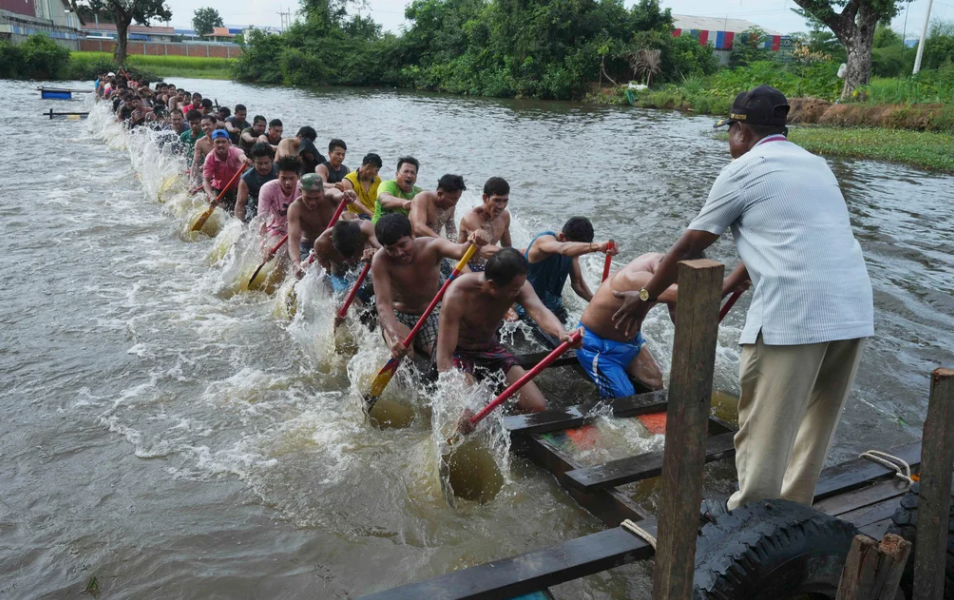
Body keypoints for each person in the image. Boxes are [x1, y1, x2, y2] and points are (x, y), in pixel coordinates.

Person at [610, 85, 874, 515]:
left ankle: (750, 524)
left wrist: (644, 296)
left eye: (729, 131)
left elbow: (688, 247)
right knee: (814, 429)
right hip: (854, 310)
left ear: (741, 131)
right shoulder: (816, 165)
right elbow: (788, 238)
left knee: (764, 431)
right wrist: (731, 283)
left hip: (794, 314)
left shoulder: (744, 169)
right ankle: (794, 519)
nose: (728, 142)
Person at [434, 248, 580, 416]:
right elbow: (444, 356)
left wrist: (562, 334)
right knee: (468, 411)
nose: (518, 292)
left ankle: (500, 419)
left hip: (489, 349)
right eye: (513, 290)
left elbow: (539, 311)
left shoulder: (518, 285)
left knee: (536, 406)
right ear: (492, 285)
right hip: (458, 353)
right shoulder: (458, 293)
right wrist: (456, 399)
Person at [579, 252, 748, 396]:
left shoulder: (666, 270)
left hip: (631, 342)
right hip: (597, 346)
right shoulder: (639, 277)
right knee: (623, 396)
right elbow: (689, 293)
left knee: (656, 383)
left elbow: (678, 318)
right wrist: (729, 285)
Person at [372, 214, 488, 359]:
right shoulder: (380, 260)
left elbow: (461, 252)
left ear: (412, 234)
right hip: (399, 315)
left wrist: (475, 241)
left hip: (431, 313)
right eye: (391, 249)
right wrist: (394, 337)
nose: (399, 253)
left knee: (441, 356)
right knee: (403, 356)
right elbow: (383, 304)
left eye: (402, 245)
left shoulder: (433, 246)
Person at [515, 217, 616, 326]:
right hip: (530, 311)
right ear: (562, 237)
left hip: (555, 308)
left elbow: (577, 284)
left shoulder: (572, 253)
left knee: (588, 332)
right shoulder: (543, 241)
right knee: (558, 341)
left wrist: (597, 304)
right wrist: (598, 246)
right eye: (577, 247)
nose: (579, 253)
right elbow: (564, 248)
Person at [286, 173, 357, 274]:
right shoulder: (295, 208)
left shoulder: (331, 196)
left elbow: (339, 195)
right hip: (309, 246)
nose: (312, 202)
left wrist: (347, 195)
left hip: (333, 242)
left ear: (323, 192)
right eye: (308, 198)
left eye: (316, 198)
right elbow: (293, 240)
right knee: (308, 271)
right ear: (300, 191)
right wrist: (296, 264)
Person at [312, 219, 380, 305]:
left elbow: (385, 250)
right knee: (352, 304)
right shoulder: (321, 244)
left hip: (363, 269)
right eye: (344, 255)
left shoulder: (366, 228)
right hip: (340, 278)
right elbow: (325, 275)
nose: (350, 259)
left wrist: (375, 253)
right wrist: (333, 302)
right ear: (332, 241)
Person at [458, 176, 512, 272]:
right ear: (485, 198)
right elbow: (485, 250)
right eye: (497, 200)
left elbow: (507, 247)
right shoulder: (471, 218)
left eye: (505, 201)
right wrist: (522, 252)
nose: (501, 206)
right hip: (464, 266)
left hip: (487, 267)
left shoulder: (505, 216)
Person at [257, 156, 303, 261]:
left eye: (291, 178)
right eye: (284, 178)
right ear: (278, 176)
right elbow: (261, 221)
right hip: (277, 230)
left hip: (298, 232)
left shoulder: (303, 188)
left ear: (298, 177)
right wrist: (263, 246)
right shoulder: (267, 188)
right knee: (281, 253)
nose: (288, 183)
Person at [202, 129, 249, 212]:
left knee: (242, 210)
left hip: (237, 188)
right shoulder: (209, 158)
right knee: (221, 211)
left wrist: (244, 160)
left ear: (229, 143)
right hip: (219, 190)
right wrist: (211, 195)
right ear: (213, 144)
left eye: (224, 142)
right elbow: (206, 181)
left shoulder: (235, 151)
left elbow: (241, 156)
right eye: (217, 142)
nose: (221, 145)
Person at [409, 174, 464, 240]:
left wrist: (455, 245)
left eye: (457, 199)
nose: (455, 203)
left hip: (434, 243)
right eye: (453, 199)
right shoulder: (422, 198)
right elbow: (418, 228)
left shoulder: (451, 205)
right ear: (440, 194)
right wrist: (443, 242)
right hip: (415, 243)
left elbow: (451, 230)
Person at [235, 142, 277, 223]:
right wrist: (240, 225)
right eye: (259, 163)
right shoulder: (246, 179)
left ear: (272, 160)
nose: (263, 167)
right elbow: (240, 205)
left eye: (266, 163)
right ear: (253, 162)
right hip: (256, 208)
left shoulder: (280, 173)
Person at [372, 156, 421, 224]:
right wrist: (404, 203)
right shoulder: (387, 184)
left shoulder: (419, 193)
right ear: (397, 174)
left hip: (404, 230)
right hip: (380, 228)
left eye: (412, 173)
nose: (409, 175)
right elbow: (385, 200)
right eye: (406, 171)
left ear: (416, 177)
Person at [339, 153, 382, 219]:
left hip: (374, 213)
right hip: (356, 216)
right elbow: (356, 202)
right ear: (368, 167)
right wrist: (371, 215)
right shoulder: (348, 180)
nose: (376, 174)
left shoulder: (377, 179)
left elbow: (380, 200)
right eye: (376, 171)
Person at [190, 114, 218, 185]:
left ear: (215, 125)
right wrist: (191, 181)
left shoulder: (225, 140)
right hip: (209, 172)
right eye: (203, 126)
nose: (205, 127)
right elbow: (195, 163)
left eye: (208, 125)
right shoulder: (200, 142)